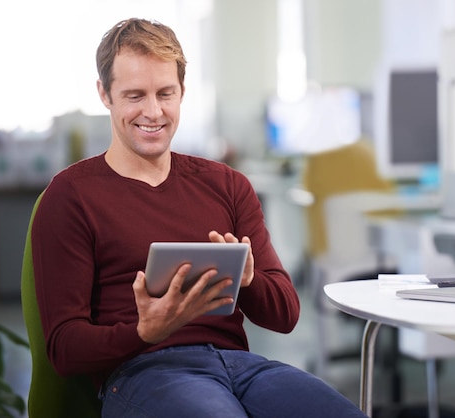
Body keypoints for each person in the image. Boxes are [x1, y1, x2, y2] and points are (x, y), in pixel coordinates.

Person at [31, 18, 368, 418]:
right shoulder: (71, 195)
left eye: (165, 93)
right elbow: (63, 349)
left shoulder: (227, 185)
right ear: (105, 94)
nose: (153, 112)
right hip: (142, 372)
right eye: (135, 95)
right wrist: (143, 332)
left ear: (182, 92)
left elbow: (285, 315)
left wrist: (248, 280)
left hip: (239, 367)